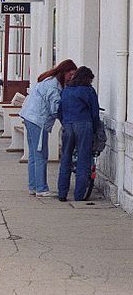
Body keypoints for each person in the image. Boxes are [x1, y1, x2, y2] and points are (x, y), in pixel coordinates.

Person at [19, 59, 78, 197]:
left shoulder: (48, 80)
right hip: (38, 120)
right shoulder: (54, 87)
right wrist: (67, 120)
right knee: (41, 155)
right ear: (63, 72)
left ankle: (33, 186)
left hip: (29, 116)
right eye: (70, 74)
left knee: (33, 154)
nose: (71, 78)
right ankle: (41, 188)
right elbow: (55, 108)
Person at [57, 67, 100, 201]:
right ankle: (79, 195)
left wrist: (65, 123)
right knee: (83, 160)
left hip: (68, 124)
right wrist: (94, 129)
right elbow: (94, 113)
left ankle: (62, 194)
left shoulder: (66, 90)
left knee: (65, 159)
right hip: (84, 125)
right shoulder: (88, 91)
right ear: (87, 78)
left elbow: (59, 111)